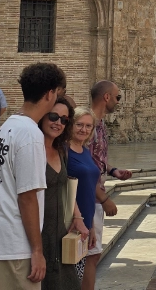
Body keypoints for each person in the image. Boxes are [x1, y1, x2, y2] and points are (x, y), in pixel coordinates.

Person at [0, 62, 67, 290]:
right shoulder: (30, 134)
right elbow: (27, 196)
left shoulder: (9, 126)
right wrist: (37, 250)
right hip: (11, 245)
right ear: (50, 93)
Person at [83, 80, 133, 288]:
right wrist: (103, 199)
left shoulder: (100, 123)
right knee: (90, 255)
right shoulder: (88, 125)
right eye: (117, 97)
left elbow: (96, 159)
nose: (118, 101)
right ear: (106, 97)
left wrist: (112, 171)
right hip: (89, 197)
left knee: (92, 254)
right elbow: (81, 168)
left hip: (96, 193)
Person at [38, 96, 90, 290]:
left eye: (64, 119)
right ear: (42, 116)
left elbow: (64, 185)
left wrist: (77, 217)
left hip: (60, 230)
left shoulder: (60, 149)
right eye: (53, 116)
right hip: (38, 234)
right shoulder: (32, 149)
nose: (58, 123)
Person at [67, 107, 103, 287]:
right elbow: (64, 188)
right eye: (79, 124)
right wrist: (78, 217)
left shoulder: (85, 150)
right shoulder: (64, 151)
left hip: (85, 222)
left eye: (89, 126)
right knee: (71, 277)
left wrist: (93, 226)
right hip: (71, 221)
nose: (84, 129)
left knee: (79, 274)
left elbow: (89, 190)